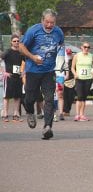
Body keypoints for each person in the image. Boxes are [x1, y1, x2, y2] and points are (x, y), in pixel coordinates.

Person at [19, 8, 64, 140]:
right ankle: (30, 112)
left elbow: (61, 45)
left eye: (52, 23)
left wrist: (61, 61)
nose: (50, 25)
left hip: (49, 71)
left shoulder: (58, 32)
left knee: (49, 98)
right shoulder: (33, 30)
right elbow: (21, 47)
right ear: (42, 20)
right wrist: (32, 57)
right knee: (29, 99)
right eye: (47, 22)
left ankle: (47, 127)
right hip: (33, 71)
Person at [71, 42, 93, 121]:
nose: (86, 49)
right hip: (79, 78)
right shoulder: (77, 56)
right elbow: (72, 67)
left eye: (88, 47)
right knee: (79, 97)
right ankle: (77, 114)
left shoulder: (91, 56)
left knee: (84, 98)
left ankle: (82, 114)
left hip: (88, 79)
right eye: (85, 47)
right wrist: (75, 74)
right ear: (81, 47)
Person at [1, 35, 25, 122]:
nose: (16, 42)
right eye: (14, 41)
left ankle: (16, 114)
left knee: (17, 97)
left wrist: (24, 72)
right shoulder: (7, 52)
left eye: (18, 41)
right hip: (9, 77)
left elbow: (27, 62)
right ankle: (5, 114)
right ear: (11, 42)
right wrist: (3, 72)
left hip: (18, 77)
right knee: (6, 97)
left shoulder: (21, 52)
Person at [54, 45, 69, 121]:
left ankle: (60, 113)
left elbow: (65, 61)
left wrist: (67, 73)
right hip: (50, 74)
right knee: (51, 94)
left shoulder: (63, 49)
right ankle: (52, 113)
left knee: (60, 94)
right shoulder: (48, 46)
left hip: (60, 75)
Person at [63, 48, 76, 116]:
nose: (69, 55)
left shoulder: (74, 61)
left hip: (72, 80)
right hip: (64, 80)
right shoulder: (63, 61)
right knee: (65, 96)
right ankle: (65, 110)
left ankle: (68, 110)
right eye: (68, 54)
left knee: (71, 97)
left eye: (70, 53)